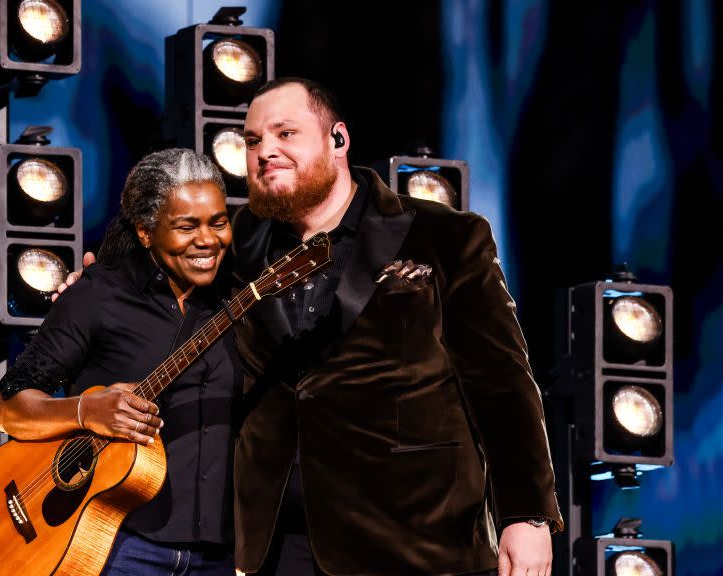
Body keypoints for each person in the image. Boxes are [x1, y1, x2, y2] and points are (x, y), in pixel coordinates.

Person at [228, 78, 563, 576]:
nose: (265, 152)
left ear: (338, 140)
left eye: (285, 134)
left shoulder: (446, 235)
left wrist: (526, 514)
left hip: (416, 537)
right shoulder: (240, 245)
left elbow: (502, 381)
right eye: (253, 140)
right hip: (279, 546)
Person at [0, 148, 239, 576]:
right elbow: (8, 408)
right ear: (145, 232)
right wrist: (86, 411)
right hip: (118, 546)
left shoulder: (236, 300)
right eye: (186, 226)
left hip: (218, 556)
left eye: (218, 222)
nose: (208, 240)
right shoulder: (99, 295)